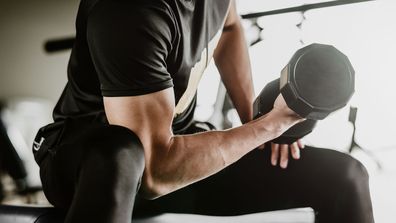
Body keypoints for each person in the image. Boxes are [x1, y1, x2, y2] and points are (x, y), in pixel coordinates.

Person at [32, 0, 375, 222]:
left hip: (173, 152)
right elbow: (154, 171)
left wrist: (252, 117)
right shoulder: (128, 13)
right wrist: (269, 127)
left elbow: (229, 27)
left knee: (344, 176)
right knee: (120, 153)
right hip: (89, 166)